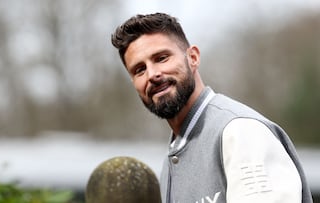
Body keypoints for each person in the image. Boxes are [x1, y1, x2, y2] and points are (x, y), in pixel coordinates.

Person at [111, 12, 313, 203]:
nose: (152, 74)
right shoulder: (171, 161)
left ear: (193, 58)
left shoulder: (241, 132)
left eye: (162, 58)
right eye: (139, 70)